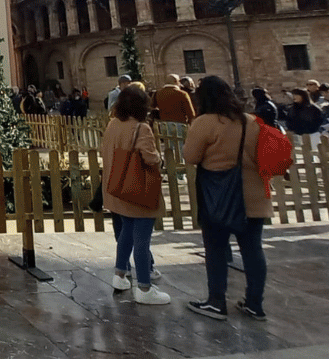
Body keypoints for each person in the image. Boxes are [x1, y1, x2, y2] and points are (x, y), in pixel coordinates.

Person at [185, 75, 270, 321]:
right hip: (253, 194)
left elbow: (190, 156)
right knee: (253, 250)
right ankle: (255, 304)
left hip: (219, 195)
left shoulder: (204, 123)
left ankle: (216, 302)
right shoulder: (252, 121)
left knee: (216, 249)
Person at [100, 85, 169, 305]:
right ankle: (145, 288)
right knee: (142, 239)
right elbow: (150, 158)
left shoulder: (113, 124)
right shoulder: (141, 128)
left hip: (118, 187)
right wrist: (160, 160)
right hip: (138, 189)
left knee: (126, 233)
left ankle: (120, 275)